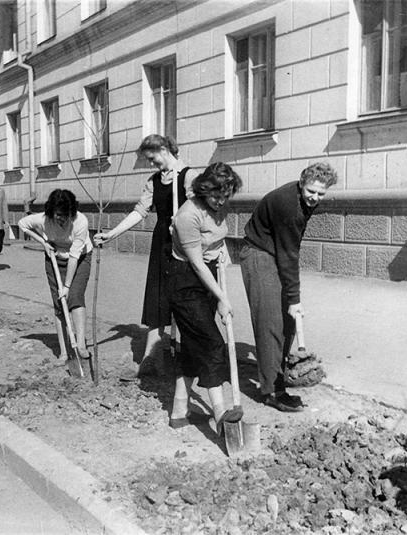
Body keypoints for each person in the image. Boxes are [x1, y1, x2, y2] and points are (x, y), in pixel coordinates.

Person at [239, 162, 338, 412]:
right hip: (258, 254)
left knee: (287, 322)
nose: (315, 197)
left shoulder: (303, 201)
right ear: (301, 183)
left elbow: (288, 251)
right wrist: (295, 299)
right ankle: (272, 391)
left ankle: (277, 376)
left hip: (275, 251)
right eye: (311, 191)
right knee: (271, 323)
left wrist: (292, 302)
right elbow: (289, 255)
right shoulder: (289, 206)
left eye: (321, 193)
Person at [93, 134, 192, 377]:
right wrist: (112, 234)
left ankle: (190, 361)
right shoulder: (154, 181)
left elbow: (199, 211)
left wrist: (184, 225)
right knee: (157, 298)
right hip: (161, 243)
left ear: (164, 150)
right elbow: (139, 212)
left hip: (184, 243)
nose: (151, 163)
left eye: (152, 158)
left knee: (186, 299)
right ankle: (152, 359)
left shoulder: (189, 176)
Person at [167, 162, 242, 429]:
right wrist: (222, 297)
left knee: (193, 346)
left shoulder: (220, 207)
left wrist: (223, 256)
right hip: (185, 281)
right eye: (216, 196)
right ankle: (220, 412)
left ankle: (179, 411)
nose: (221, 202)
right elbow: (196, 263)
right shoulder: (188, 215)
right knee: (211, 344)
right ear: (204, 189)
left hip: (208, 275)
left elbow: (217, 241)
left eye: (226, 196)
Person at [19, 189, 93, 360]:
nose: (62, 219)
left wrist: (67, 286)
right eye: (58, 214)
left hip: (80, 258)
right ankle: (64, 351)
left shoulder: (80, 221)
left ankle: (80, 346)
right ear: (51, 211)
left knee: (75, 297)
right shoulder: (43, 219)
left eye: (66, 215)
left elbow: (74, 256)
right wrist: (43, 242)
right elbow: (22, 224)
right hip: (54, 258)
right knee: (59, 304)